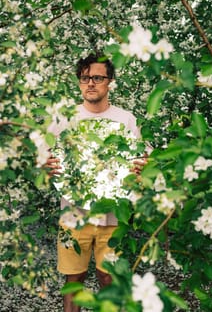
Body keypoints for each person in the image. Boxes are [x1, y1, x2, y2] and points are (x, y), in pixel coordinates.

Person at [47, 53, 145, 312]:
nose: (90, 83)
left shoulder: (126, 119)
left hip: (112, 218)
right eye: (84, 78)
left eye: (97, 78)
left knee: (108, 278)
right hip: (72, 217)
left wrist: (141, 169)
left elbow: (140, 161)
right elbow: (45, 157)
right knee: (73, 281)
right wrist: (45, 165)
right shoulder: (64, 118)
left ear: (110, 82)